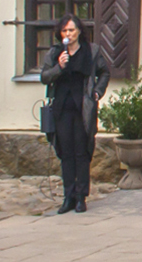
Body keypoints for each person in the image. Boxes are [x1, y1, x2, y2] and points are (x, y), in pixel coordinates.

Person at [41, 15, 110, 213]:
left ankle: (81, 196)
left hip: (83, 107)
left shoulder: (92, 51)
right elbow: (45, 77)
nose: (68, 34)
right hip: (61, 107)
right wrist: (59, 67)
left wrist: (97, 91)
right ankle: (68, 196)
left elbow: (104, 72)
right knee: (66, 152)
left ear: (79, 31)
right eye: (64, 31)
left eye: (71, 30)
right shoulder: (55, 52)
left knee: (81, 151)